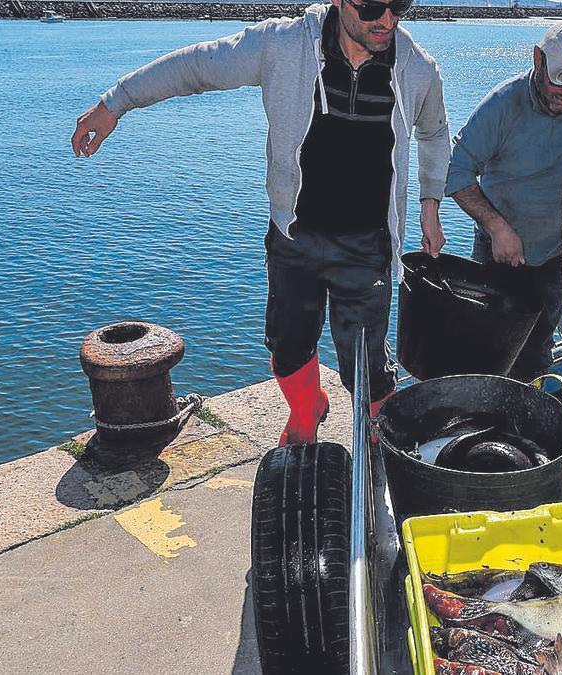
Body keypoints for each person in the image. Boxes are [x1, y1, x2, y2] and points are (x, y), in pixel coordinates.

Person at [70, 0, 450, 445]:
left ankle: (379, 440)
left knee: (366, 365)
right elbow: (197, 66)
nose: (386, 20)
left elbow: (434, 132)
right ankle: (308, 408)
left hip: (367, 246)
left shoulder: (417, 68)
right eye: (369, 8)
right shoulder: (282, 45)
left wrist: (429, 202)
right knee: (287, 349)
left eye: (398, 5)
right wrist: (115, 103)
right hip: (294, 236)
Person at [445, 21, 562, 382]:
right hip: (496, 251)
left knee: (536, 353)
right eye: (557, 84)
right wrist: (497, 228)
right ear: (537, 59)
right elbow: (455, 171)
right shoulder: (504, 103)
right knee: (486, 348)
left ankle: (525, 421)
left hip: (556, 254)